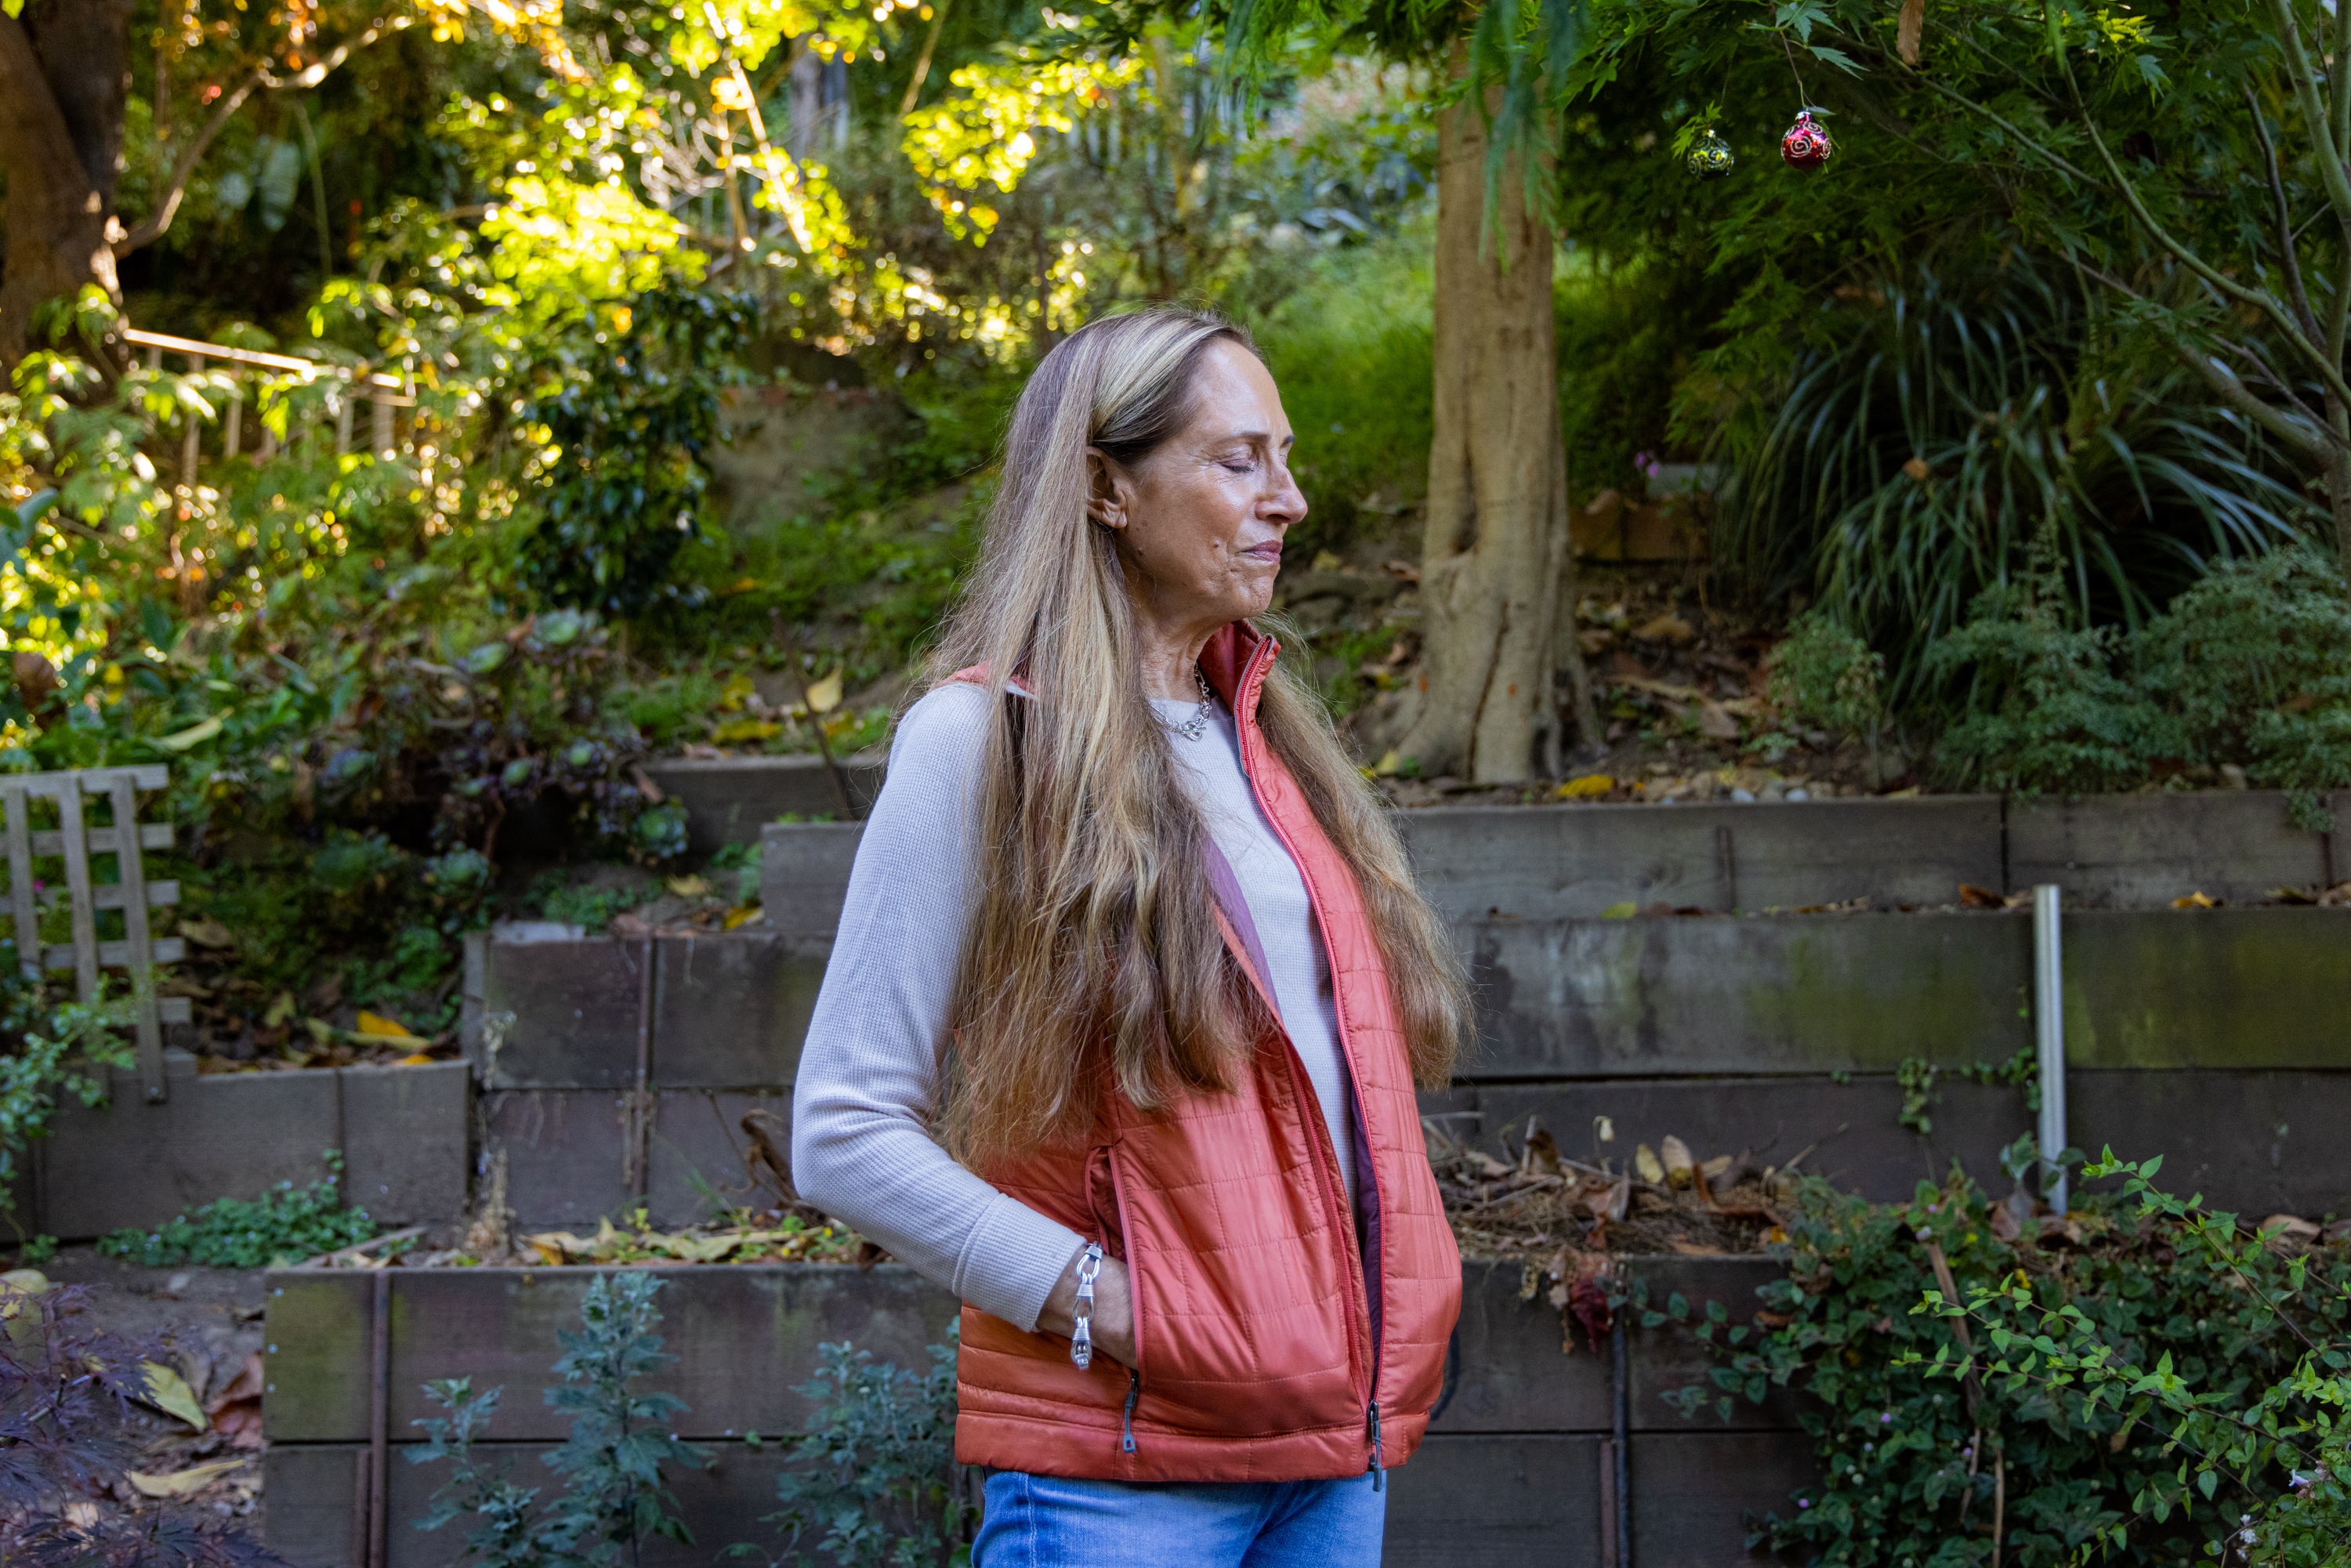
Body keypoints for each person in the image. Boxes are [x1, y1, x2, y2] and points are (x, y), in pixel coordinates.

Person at [792, 306, 1470, 1566]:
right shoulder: (980, 745)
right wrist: (1108, 1303)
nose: (1291, 500)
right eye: (1239, 460)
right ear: (1106, 485)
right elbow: (842, 1131)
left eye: (1286, 458)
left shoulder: (1266, 750)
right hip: (1122, 1470)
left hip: (1329, 1447)